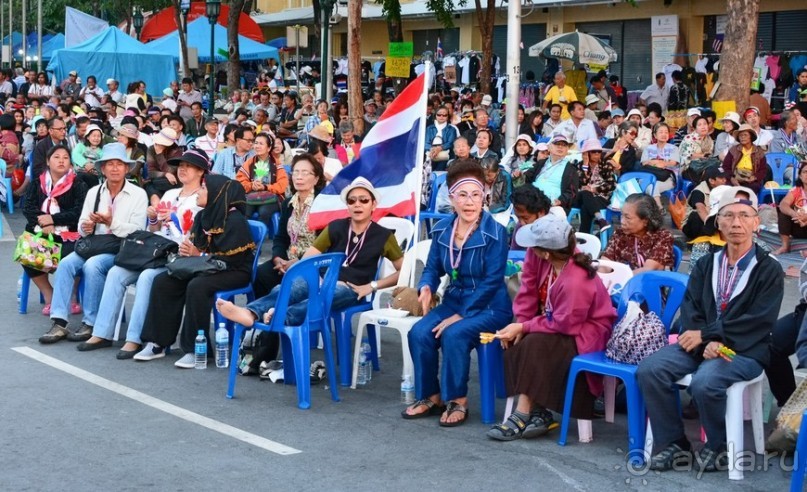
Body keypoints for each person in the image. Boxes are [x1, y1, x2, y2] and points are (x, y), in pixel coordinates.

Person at [637, 187, 783, 472]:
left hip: (745, 349)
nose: (736, 223)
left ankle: (718, 446)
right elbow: (691, 308)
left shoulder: (769, 270)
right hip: (701, 344)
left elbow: (759, 320)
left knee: (706, 382)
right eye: (728, 216)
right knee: (651, 369)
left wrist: (710, 336)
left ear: (756, 223)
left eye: (744, 216)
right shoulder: (705, 264)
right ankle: (674, 443)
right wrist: (704, 341)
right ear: (718, 223)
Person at [215, 176, 404, 361]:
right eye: (352, 200)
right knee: (288, 287)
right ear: (347, 205)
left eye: (364, 200)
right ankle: (251, 312)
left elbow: (403, 271)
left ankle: (279, 316)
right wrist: (299, 274)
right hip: (322, 278)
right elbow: (309, 257)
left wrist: (372, 286)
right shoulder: (336, 227)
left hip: (352, 288)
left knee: (323, 297)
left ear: (373, 205)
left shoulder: (383, 236)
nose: (357, 205)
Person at [487, 215, 616, 440]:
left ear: (546, 252)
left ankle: (522, 412)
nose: (528, 248)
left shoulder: (577, 279)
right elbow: (526, 292)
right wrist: (519, 325)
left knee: (536, 344)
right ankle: (539, 412)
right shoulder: (537, 256)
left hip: (585, 332)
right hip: (555, 322)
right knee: (513, 342)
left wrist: (526, 327)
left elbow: (565, 324)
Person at [402, 161, 512, 426]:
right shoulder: (442, 231)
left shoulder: (495, 233)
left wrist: (461, 315)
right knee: (418, 332)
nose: (469, 202)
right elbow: (431, 268)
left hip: (490, 306)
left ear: (484, 195)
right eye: (462, 195)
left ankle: (458, 399)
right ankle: (430, 395)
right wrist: (426, 286)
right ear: (451, 198)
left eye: (475, 194)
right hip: (454, 299)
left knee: (454, 333)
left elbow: (492, 281)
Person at [76, 149, 207, 357]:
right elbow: (154, 231)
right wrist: (154, 219)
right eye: (180, 166)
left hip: (177, 255)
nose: (182, 170)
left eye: (188, 166)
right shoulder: (171, 194)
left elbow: (196, 236)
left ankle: (135, 338)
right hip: (154, 250)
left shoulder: (202, 198)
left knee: (147, 277)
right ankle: (101, 332)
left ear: (201, 171)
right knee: (116, 272)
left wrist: (173, 220)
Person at [135, 174, 256, 366]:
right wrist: (191, 251)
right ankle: (157, 342)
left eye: (204, 189)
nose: (199, 192)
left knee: (197, 286)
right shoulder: (204, 215)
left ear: (217, 194)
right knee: (164, 281)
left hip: (234, 270)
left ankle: (195, 349)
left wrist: (198, 254)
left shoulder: (234, 220)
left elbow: (233, 259)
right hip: (206, 267)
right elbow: (198, 247)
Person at [38, 143, 148, 344]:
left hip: (122, 248)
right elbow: (81, 224)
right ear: (103, 168)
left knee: (93, 265)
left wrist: (111, 222)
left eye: (119, 164)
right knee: (65, 264)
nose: (115, 168)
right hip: (94, 244)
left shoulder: (138, 194)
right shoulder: (95, 192)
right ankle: (59, 321)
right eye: (110, 164)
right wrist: (86, 227)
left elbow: (138, 230)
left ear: (126, 168)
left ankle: (91, 322)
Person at [21, 145, 88, 315]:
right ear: (47, 161)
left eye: (65, 158)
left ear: (70, 163)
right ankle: (49, 295)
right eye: (56, 157)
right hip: (43, 232)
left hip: (70, 233)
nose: (61, 161)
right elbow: (28, 208)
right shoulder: (38, 183)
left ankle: (71, 295)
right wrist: (45, 224)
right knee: (27, 251)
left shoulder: (78, 184)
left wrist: (54, 219)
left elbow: (79, 212)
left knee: (71, 257)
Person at [601, 193, 674, 273]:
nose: (622, 222)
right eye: (622, 215)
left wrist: (620, 280)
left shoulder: (662, 237)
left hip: (648, 284)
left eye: (627, 217)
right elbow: (605, 263)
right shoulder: (619, 234)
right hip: (619, 282)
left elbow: (648, 271)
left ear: (645, 221)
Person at [236, 132, 289, 230]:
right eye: (256, 143)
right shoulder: (249, 163)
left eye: (261, 144)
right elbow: (239, 182)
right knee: (244, 210)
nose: (257, 146)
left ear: (269, 148)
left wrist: (265, 187)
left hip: (271, 198)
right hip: (252, 196)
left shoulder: (276, 164)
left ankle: (259, 238)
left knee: (264, 211)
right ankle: (244, 238)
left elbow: (282, 185)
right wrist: (251, 185)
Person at [523, 134, 579, 212]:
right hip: (533, 198)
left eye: (564, 145)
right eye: (557, 144)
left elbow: (572, 192)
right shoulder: (541, 163)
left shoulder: (571, 169)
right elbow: (527, 178)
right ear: (549, 148)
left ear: (567, 150)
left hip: (553, 204)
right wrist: (519, 176)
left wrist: (560, 201)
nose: (560, 147)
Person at [575, 138, 616, 232]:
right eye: (594, 152)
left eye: (599, 152)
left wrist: (595, 189)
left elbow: (611, 184)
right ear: (587, 153)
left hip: (600, 197)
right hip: (581, 196)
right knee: (585, 193)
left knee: (586, 207)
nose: (597, 154)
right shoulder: (579, 165)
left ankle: (584, 236)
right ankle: (600, 219)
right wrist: (585, 165)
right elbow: (581, 183)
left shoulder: (605, 165)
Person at [681, 167, 729, 241]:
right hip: (693, 225)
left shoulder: (722, 190)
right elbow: (700, 209)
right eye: (721, 178)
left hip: (712, 221)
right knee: (696, 216)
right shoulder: (698, 192)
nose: (725, 180)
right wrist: (711, 226)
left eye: (725, 178)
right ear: (712, 181)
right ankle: (700, 240)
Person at [640, 122, 680, 206]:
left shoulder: (674, 148)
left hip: (667, 179)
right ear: (655, 135)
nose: (664, 134)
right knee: (649, 185)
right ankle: (659, 208)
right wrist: (659, 163)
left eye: (666, 132)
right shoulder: (648, 148)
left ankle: (658, 208)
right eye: (661, 132)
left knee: (651, 187)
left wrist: (653, 161)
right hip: (649, 177)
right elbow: (644, 163)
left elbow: (672, 163)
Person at [723, 123, 768, 195]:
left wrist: (754, 177)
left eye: (745, 135)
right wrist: (732, 178)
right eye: (741, 135)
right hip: (735, 177)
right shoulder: (734, 150)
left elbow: (763, 169)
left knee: (753, 187)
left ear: (751, 137)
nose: (742, 137)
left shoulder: (759, 151)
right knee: (728, 187)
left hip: (751, 179)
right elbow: (725, 166)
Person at [773, 161, 807, 255]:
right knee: (784, 212)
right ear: (800, 176)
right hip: (798, 225)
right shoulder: (796, 190)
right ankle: (785, 246)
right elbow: (783, 204)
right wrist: (794, 214)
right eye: (805, 172)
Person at [144, 127, 183, 205]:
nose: (159, 144)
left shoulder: (176, 151)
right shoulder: (151, 149)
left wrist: (159, 154)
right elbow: (151, 172)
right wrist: (165, 174)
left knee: (152, 186)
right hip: (156, 181)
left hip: (172, 184)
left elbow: (171, 171)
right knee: (151, 186)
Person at [425, 106, 459, 172]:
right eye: (439, 114)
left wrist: (440, 148)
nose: (441, 116)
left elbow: (451, 143)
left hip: (446, 155)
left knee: (440, 172)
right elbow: (426, 143)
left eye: (444, 115)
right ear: (435, 115)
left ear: (447, 117)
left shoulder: (452, 129)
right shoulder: (429, 128)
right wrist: (432, 149)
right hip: (431, 153)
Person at [71, 123, 105, 188]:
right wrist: (86, 164)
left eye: (98, 136)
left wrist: (93, 166)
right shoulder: (80, 146)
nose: (96, 138)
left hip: (94, 177)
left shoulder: (102, 151)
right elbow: (75, 155)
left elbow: (102, 163)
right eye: (94, 136)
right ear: (88, 137)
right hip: (80, 173)